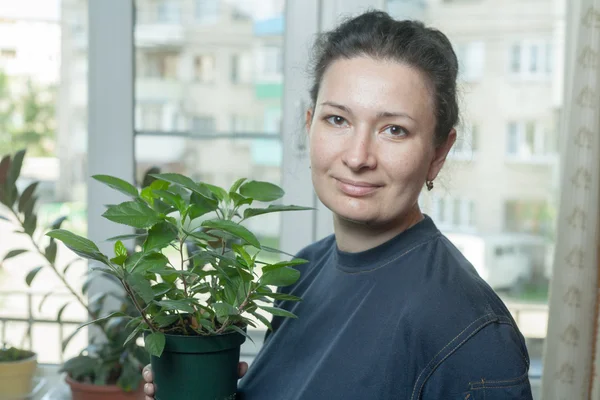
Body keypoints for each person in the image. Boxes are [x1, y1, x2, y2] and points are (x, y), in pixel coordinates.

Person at [143, 10, 533, 400]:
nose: (358, 156)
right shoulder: (301, 273)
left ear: (438, 152)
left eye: (394, 130)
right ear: (310, 124)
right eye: (337, 120)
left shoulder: (470, 333)